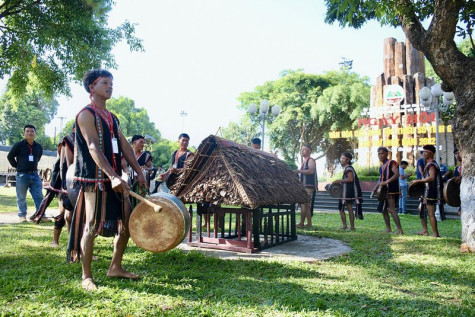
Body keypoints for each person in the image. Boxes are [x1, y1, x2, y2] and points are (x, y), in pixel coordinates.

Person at [67, 69, 146, 291]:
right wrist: (112, 176)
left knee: (126, 223)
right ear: (91, 87)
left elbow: (125, 146)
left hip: (115, 179)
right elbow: (92, 145)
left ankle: (115, 267)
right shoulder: (85, 114)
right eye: (104, 83)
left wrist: (138, 172)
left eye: (111, 83)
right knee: (91, 225)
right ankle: (86, 276)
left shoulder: (112, 118)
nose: (110, 86)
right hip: (94, 179)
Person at [7, 125, 44, 222]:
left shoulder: (38, 146)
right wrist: (17, 166)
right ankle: (22, 216)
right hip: (22, 175)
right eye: (27, 131)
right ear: (24, 133)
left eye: (32, 131)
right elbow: (10, 156)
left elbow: (38, 157)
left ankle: (41, 215)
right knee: (21, 197)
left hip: (35, 175)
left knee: (39, 196)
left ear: (35, 133)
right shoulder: (19, 145)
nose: (30, 133)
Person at [410, 145, 446, 237]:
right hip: (426, 191)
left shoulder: (432, 164)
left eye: (426, 152)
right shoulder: (428, 163)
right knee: (421, 210)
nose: (424, 153)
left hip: (431, 191)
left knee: (431, 213)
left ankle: (435, 234)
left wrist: (418, 181)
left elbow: (432, 177)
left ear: (431, 153)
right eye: (424, 152)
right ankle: (425, 230)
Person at [372, 147, 403, 234]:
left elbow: (397, 174)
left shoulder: (392, 163)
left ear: (387, 154)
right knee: (383, 210)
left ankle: (400, 230)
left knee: (391, 209)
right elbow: (380, 179)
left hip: (391, 190)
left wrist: (386, 182)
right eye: (379, 154)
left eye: (382, 153)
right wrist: (375, 188)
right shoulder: (381, 166)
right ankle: (388, 228)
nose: (380, 155)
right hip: (383, 191)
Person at [332, 152, 363, 230]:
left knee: (348, 208)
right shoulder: (347, 168)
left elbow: (350, 179)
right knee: (342, 208)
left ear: (348, 159)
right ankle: (346, 226)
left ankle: (351, 226)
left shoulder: (348, 168)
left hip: (347, 191)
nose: (341, 160)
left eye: (343, 158)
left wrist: (339, 180)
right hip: (345, 191)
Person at [293, 144, 317, 228]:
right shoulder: (304, 161)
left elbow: (311, 171)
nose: (302, 151)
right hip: (305, 185)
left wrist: (299, 171)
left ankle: (302, 223)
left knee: (303, 203)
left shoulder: (310, 160)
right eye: (302, 150)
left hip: (309, 185)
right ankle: (309, 223)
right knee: (306, 205)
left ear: (309, 151)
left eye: (304, 149)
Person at [129, 134, 153, 206]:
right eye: (141, 142)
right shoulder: (127, 154)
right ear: (134, 143)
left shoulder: (146, 155)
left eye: (144, 143)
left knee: (141, 203)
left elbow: (151, 168)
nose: (143, 144)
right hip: (130, 183)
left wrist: (147, 169)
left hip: (141, 184)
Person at [452, 148, 462, 216]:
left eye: (459, 153)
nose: (457, 155)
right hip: (461, 194)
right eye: (455, 154)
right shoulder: (456, 169)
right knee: (460, 213)